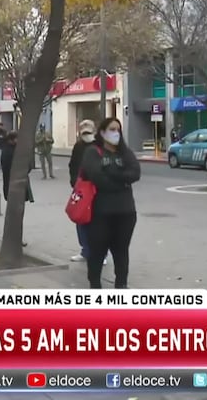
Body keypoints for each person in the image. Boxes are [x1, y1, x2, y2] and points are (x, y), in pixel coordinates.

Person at [80, 118, 141, 289]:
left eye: (118, 129)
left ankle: (121, 285)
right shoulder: (93, 152)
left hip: (125, 213)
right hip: (100, 214)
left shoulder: (125, 152)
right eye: (112, 129)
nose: (115, 133)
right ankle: (95, 286)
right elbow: (98, 178)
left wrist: (112, 172)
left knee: (121, 252)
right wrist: (122, 180)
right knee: (97, 253)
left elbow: (135, 173)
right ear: (102, 132)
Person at [68, 120, 106, 266]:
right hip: (81, 188)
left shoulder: (100, 146)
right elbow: (73, 165)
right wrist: (74, 182)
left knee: (98, 221)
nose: (86, 136)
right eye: (83, 133)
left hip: (97, 189)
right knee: (81, 218)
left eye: (88, 133)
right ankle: (85, 251)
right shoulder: (78, 146)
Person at [0, 131, 33, 246]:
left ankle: (15, 238)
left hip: (16, 185)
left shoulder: (13, 150)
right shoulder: (10, 151)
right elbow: (22, 167)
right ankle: (15, 239)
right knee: (16, 214)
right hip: (14, 186)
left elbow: (28, 165)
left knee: (17, 213)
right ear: (12, 139)